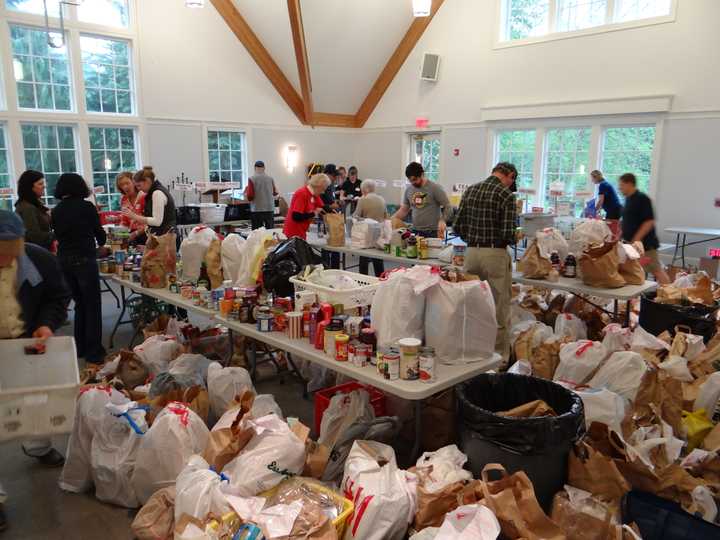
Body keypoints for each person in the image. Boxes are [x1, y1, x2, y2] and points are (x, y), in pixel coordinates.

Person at [0, 210, 71, 530]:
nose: (5, 260)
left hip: (28, 343)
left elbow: (57, 296)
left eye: (10, 254)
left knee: (38, 397)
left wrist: (45, 324)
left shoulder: (38, 260)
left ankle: (39, 445)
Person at [453, 162, 518, 364]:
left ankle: (473, 354)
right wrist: (516, 236)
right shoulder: (506, 195)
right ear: (510, 176)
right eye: (512, 181)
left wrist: (473, 238)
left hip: (471, 253)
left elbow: (456, 227)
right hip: (495, 255)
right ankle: (498, 360)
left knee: (472, 305)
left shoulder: (471, 191)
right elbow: (508, 234)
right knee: (499, 309)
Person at [51, 173, 107, 364]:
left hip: (64, 261)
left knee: (80, 304)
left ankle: (80, 347)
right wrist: (102, 242)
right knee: (92, 306)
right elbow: (100, 236)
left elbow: (58, 235)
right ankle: (94, 351)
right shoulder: (87, 207)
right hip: (84, 259)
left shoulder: (56, 210)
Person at [619, 173, 670, 285]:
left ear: (629, 184)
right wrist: (619, 236)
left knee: (656, 270)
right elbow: (628, 221)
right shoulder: (628, 200)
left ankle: (670, 295)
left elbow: (649, 222)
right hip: (631, 245)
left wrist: (635, 241)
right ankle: (633, 299)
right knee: (632, 271)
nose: (620, 188)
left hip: (645, 245)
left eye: (622, 185)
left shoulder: (642, 199)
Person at [392, 162, 451, 238]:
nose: (413, 182)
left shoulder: (435, 188)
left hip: (432, 232)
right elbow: (404, 209)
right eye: (410, 180)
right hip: (415, 231)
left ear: (422, 174)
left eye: (415, 179)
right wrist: (391, 219)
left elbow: (448, 207)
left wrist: (443, 220)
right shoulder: (409, 190)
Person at [122, 166, 177, 236]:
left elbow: (157, 221)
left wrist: (134, 216)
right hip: (163, 235)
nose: (139, 189)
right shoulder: (153, 192)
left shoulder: (157, 193)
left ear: (147, 181)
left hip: (165, 237)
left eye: (139, 185)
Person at [354, 179, 387, 277]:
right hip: (380, 234)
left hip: (367, 235)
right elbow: (385, 216)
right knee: (378, 260)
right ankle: (381, 281)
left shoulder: (362, 200)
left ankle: (363, 283)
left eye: (362, 189)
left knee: (363, 260)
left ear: (365, 189)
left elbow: (356, 216)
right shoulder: (382, 199)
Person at [14, 170, 54, 251]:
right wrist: (57, 235)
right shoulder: (27, 207)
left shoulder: (33, 205)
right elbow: (34, 236)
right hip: (36, 253)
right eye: (40, 184)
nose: (44, 186)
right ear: (30, 187)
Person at [282, 173, 329, 240]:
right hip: (293, 231)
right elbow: (296, 216)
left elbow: (323, 207)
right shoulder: (302, 193)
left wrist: (332, 212)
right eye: (323, 189)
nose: (323, 192)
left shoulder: (314, 194)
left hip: (302, 230)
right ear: (318, 186)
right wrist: (314, 213)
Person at [245, 160, 278, 230]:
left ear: (254, 168)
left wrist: (246, 196)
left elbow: (250, 196)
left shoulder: (251, 179)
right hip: (269, 209)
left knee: (257, 233)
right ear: (264, 168)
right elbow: (275, 192)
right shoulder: (270, 178)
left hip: (257, 209)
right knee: (270, 231)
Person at [320, 164, 341, 269]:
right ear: (328, 174)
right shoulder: (324, 184)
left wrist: (335, 203)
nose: (335, 178)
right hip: (326, 217)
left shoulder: (331, 184)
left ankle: (334, 267)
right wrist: (332, 206)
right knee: (327, 244)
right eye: (334, 176)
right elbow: (321, 204)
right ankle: (327, 266)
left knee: (335, 243)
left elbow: (330, 199)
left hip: (333, 217)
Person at [117, 171, 146, 244]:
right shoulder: (123, 199)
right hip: (131, 235)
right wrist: (120, 234)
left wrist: (136, 233)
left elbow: (150, 221)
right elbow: (124, 221)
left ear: (134, 183)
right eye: (121, 185)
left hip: (146, 234)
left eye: (127, 183)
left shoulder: (144, 196)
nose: (125, 187)